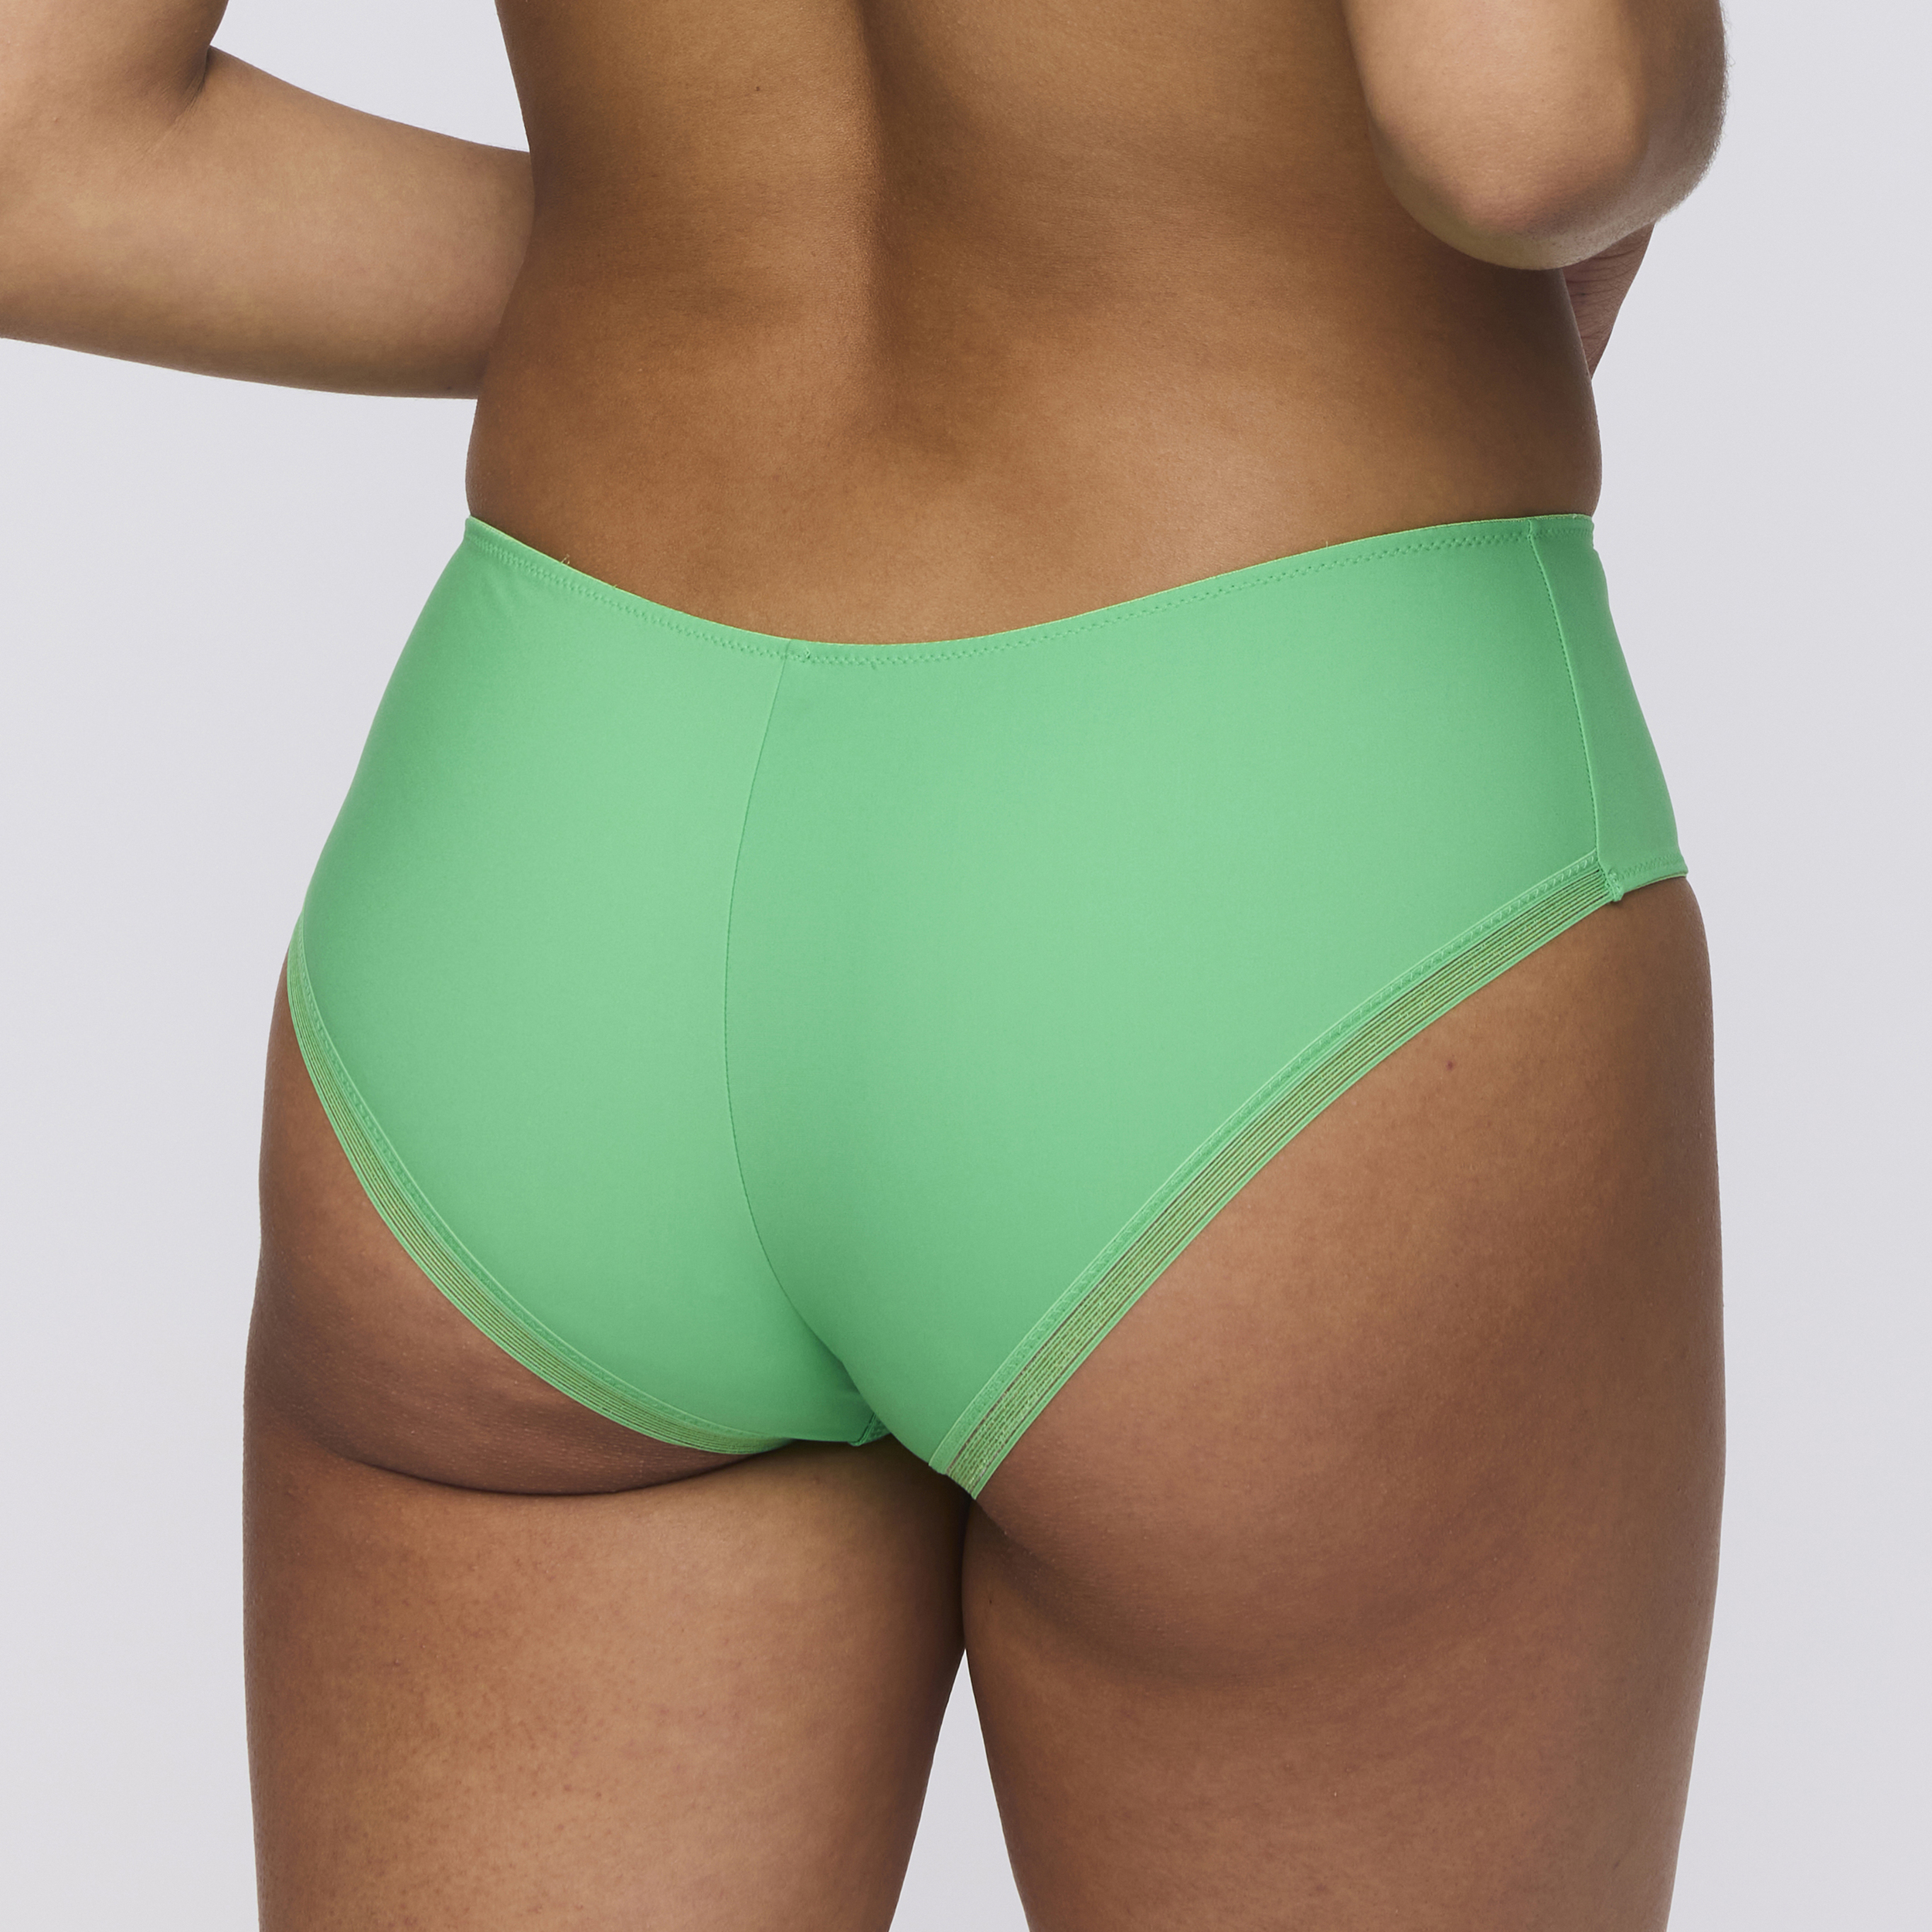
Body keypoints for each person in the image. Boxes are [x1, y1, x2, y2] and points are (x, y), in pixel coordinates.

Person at [0, 2, 1728, 1925]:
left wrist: (675, 256)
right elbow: (1537, 120)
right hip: (1250, 840)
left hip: (558, 846)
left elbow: (34, 149)